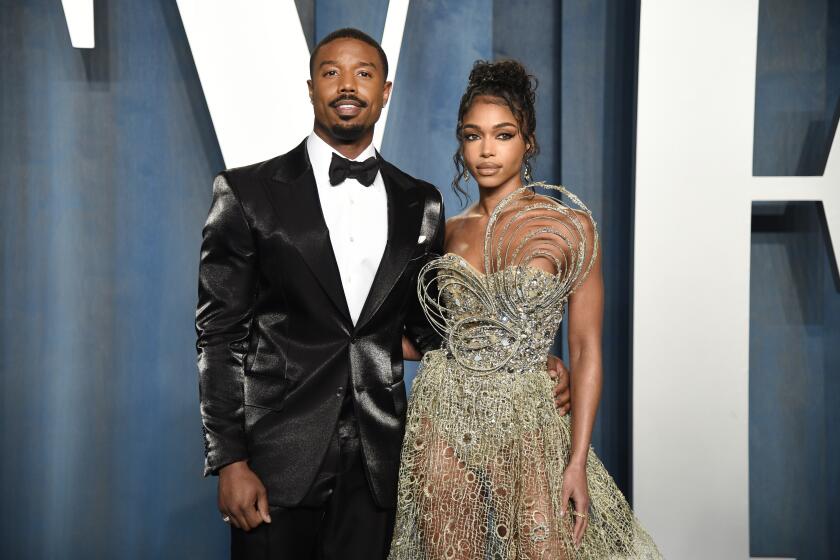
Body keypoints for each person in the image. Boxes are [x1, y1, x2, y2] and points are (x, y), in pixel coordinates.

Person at [195, 29, 571, 559]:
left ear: (386, 89)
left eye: (363, 74)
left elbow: (431, 328)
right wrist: (230, 460)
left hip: (381, 462)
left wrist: (529, 363)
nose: (347, 85)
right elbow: (219, 336)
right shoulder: (245, 193)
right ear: (309, 87)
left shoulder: (421, 202)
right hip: (275, 462)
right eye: (331, 73)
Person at [388, 60, 662, 559]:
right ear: (461, 143)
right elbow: (420, 334)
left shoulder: (570, 225)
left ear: (528, 141)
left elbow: (585, 347)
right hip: (443, 412)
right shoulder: (443, 231)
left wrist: (577, 458)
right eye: (473, 136)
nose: (487, 150)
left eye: (503, 134)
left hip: (530, 419)